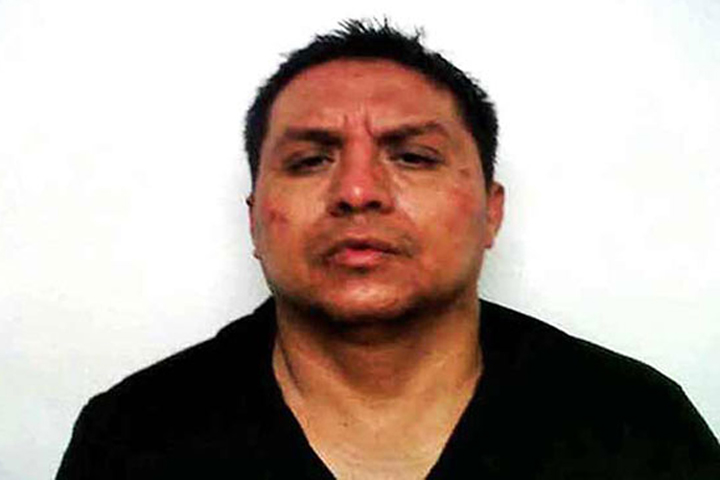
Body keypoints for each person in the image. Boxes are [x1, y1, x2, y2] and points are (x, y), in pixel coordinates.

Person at [56, 20, 720, 479]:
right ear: (255, 221)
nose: (357, 191)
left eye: (413, 156)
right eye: (310, 160)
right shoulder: (132, 437)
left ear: (491, 212)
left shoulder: (637, 426)